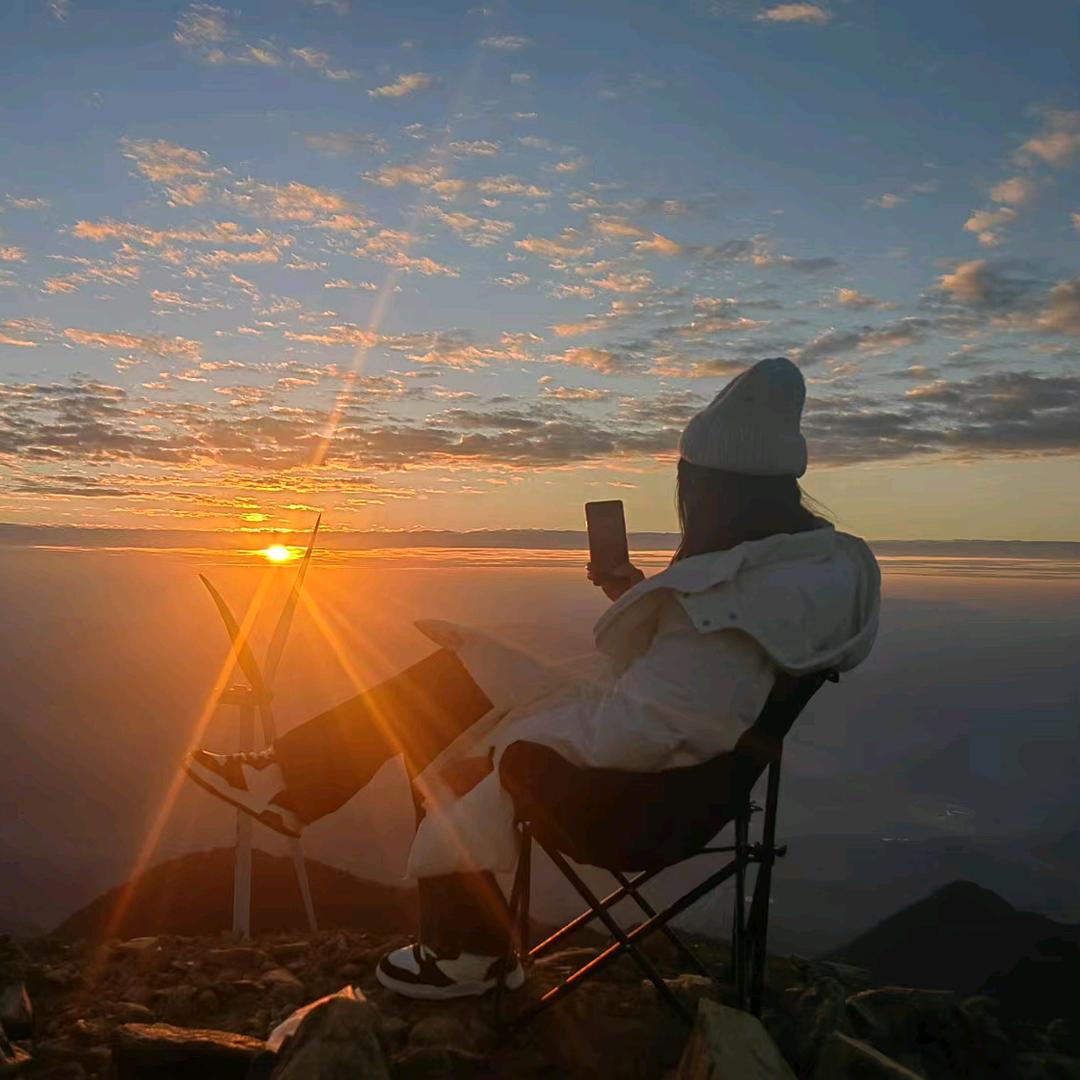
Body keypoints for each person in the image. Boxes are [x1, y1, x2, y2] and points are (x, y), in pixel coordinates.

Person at [184, 356, 881, 1000]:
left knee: (452, 734)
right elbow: (692, 688)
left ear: (710, 491)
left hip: (634, 806)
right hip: (684, 780)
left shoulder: (737, 602)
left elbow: (647, 731)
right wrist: (636, 597)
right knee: (457, 671)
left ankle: (463, 953)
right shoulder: (791, 580)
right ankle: (292, 780)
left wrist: (513, 733)